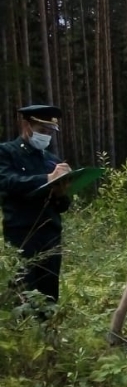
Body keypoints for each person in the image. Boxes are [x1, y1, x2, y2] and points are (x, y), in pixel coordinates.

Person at [0, 104, 72, 313]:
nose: (46, 136)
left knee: (49, 290)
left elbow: (63, 206)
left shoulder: (52, 160)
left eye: (50, 132)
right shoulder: (6, 152)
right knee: (23, 288)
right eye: (42, 130)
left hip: (50, 233)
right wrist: (46, 179)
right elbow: (7, 182)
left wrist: (61, 192)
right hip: (21, 233)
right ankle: (25, 336)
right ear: (26, 125)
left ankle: (48, 333)